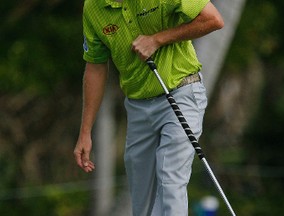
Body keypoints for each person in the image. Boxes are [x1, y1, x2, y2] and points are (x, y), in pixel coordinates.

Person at [74, 0, 224, 215]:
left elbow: (213, 19)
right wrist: (85, 131)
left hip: (181, 92)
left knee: (170, 177)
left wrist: (157, 39)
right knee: (141, 197)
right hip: (137, 107)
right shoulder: (93, 7)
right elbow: (95, 65)